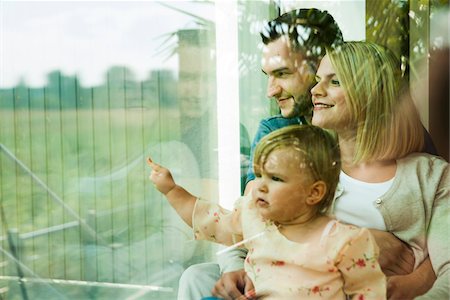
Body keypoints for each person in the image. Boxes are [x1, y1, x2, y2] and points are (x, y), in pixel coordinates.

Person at [148, 124, 387, 299]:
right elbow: (210, 219)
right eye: (260, 174)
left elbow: (368, 293)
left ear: (313, 193)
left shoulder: (344, 242)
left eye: (275, 178)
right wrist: (172, 191)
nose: (260, 185)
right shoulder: (255, 220)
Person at [311, 41, 449, 299]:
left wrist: (415, 285)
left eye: (334, 81)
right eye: (318, 80)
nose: (315, 90)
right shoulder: (307, 167)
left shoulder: (431, 176)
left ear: (370, 93)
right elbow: (250, 235)